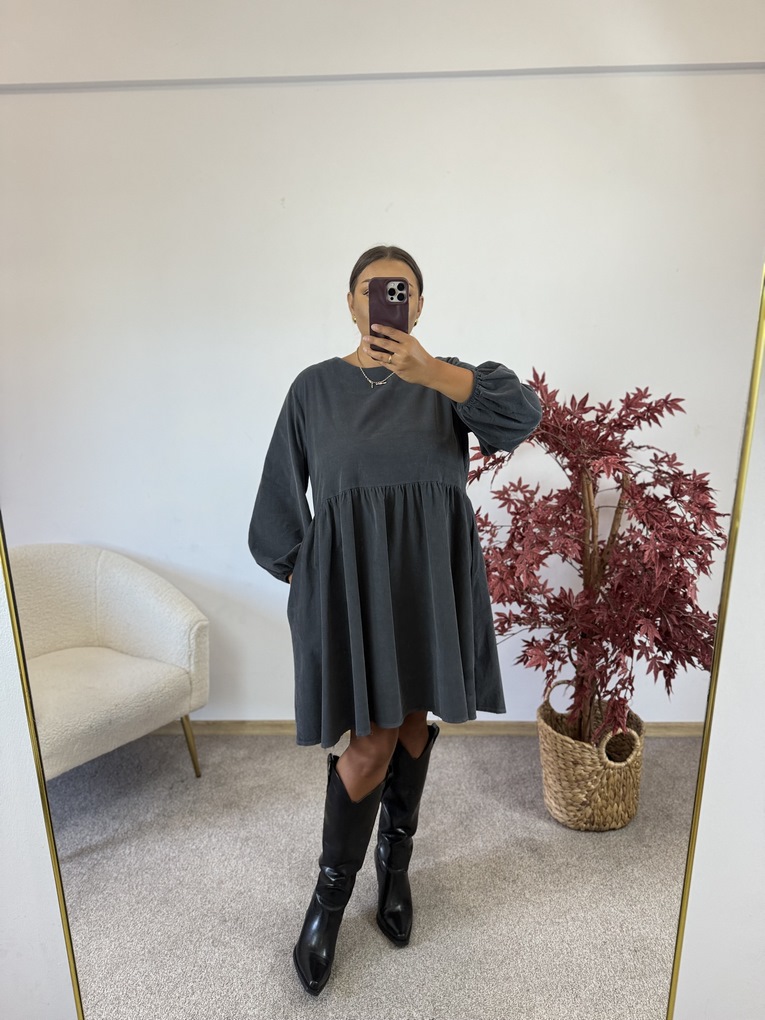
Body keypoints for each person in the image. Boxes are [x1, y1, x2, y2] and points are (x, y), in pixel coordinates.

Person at [248, 244, 542, 996]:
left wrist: (432, 371)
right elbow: (279, 500)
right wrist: (309, 580)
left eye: (403, 290)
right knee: (371, 740)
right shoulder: (313, 388)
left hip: (428, 583)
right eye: (375, 289)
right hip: (355, 590)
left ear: (418, 305)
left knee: (412, 725)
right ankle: (328, 901)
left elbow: (522, 415)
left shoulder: (449, 381)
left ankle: (395, 866)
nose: (389, 300)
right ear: (352, 302)